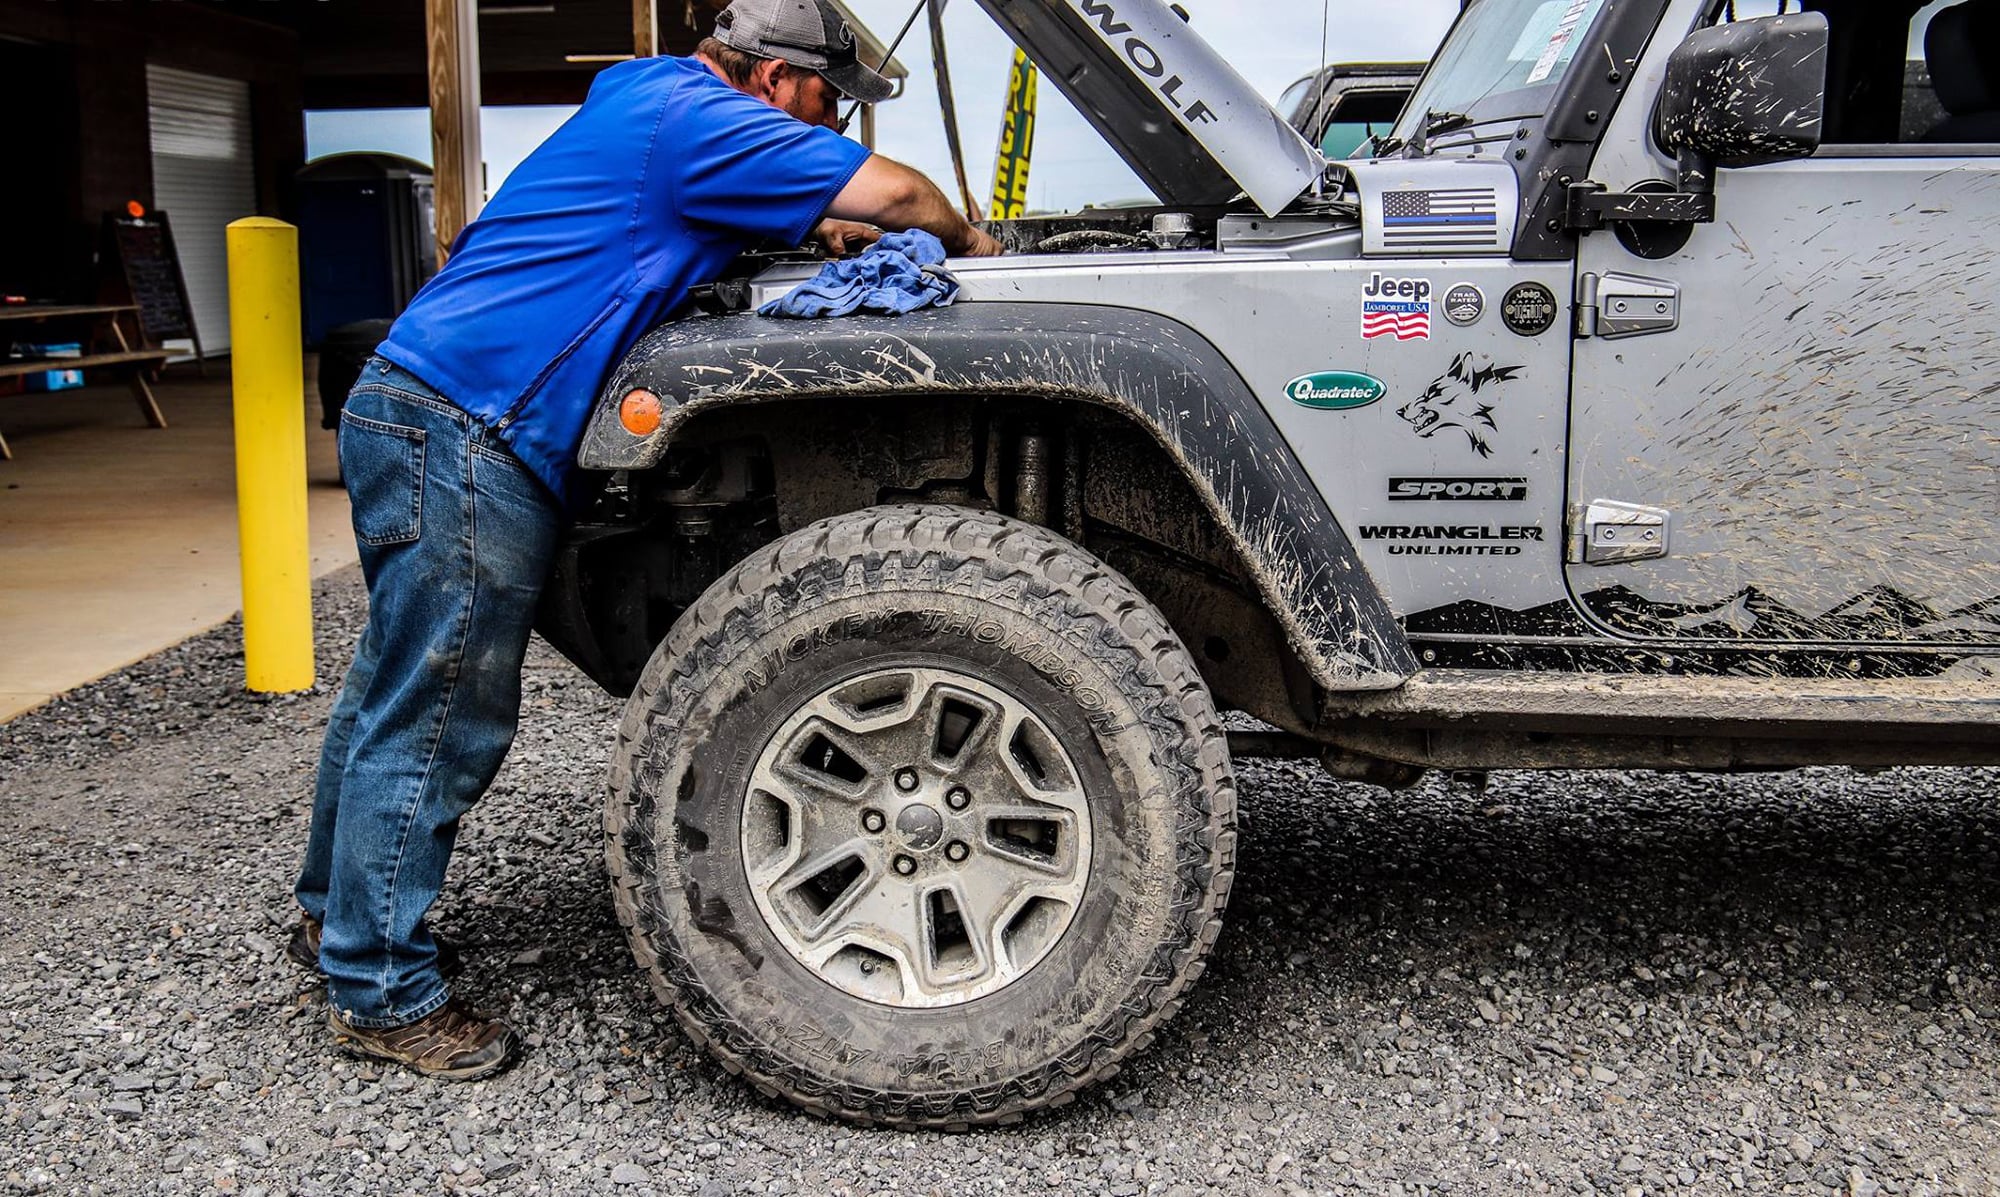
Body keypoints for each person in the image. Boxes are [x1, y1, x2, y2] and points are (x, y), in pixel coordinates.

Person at [289, 0, 1005, 1081]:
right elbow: (902, 193)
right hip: (468, 425)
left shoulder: (652, 104)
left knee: (389, 689)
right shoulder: (696, 121)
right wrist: (969, 238)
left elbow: (675, 219)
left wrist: (812, 224)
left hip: (418, 405)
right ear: (770, 83)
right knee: (441, 710)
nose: (830, 131)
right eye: (822, 105)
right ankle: (378, 988)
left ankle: (333, 922)